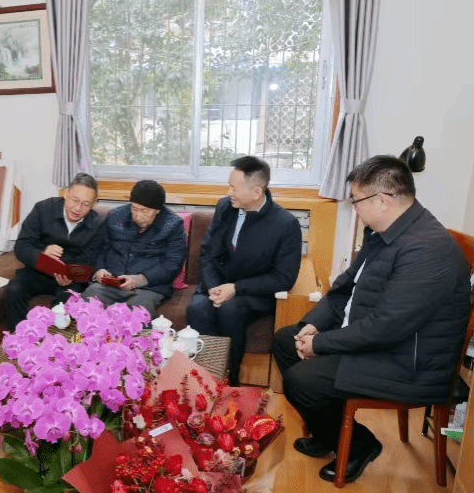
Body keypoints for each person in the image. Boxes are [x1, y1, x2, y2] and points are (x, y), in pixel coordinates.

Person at [274, 155, 471, 483]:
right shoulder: (384, 232)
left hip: (410, 363)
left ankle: (359, 445)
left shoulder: (428, 249)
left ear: (382, 200)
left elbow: (387, 327)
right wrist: (313, 325)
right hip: (383, 341)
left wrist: (320, 344)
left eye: (356, 201)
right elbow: (344, 289)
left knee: (303, 381)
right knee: (286, 340)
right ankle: (330, 432)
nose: (355, 208)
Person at [186, 156, 302, 386]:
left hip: (254, 292)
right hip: (219, 283)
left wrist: (236, 288)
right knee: (197, 309)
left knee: (230, 309)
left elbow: (284, 278)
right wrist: (213, 288)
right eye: (229, 186)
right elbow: (208, 251)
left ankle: (231, 377)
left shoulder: (285, 224)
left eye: (234, 188)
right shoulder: (225, 207)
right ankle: (207, 377)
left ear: (257, 192)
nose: (229, 193)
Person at [4, 173, 105, 330]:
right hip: (37, 271)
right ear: (66, 193)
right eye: (75, 200)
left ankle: (51, 342)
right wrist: (42, 252)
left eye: (85, 204)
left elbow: (90, 260)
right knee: (13, 290)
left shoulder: (97, 225)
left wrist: (71, 275)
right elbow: (22, 245)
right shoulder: (43, 209)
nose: (78, 208)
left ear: (94, 204)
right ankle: (19, 337)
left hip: (70, 280)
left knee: (65, 304)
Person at [81, 180, 187, 317]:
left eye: (145, 211)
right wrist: (99, 269)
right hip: (110, 285)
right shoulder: (115, 216)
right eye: (135, 209)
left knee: (136, 313)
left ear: (158, 210)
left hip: (147, 288)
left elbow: (173, 264)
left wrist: (139, 280)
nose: (138, 216)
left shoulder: (173, 225)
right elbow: (100, 248)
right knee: (87, 302)